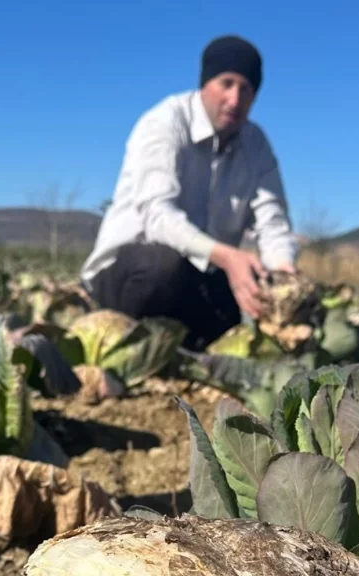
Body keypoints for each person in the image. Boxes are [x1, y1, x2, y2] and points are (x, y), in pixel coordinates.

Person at [81, 34, 299, 350]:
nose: (235, 100)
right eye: (226, 83)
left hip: (198, 276)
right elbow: (157, 217)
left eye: (246, 89)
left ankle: (177, 350)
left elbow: (273, 222)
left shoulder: (256, 145)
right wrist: (226, 256)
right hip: (130, 273)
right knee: (163, 266)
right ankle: (123, 343)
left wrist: (283, 278)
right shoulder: (163, 123)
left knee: (235, 308)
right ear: (205, 83)